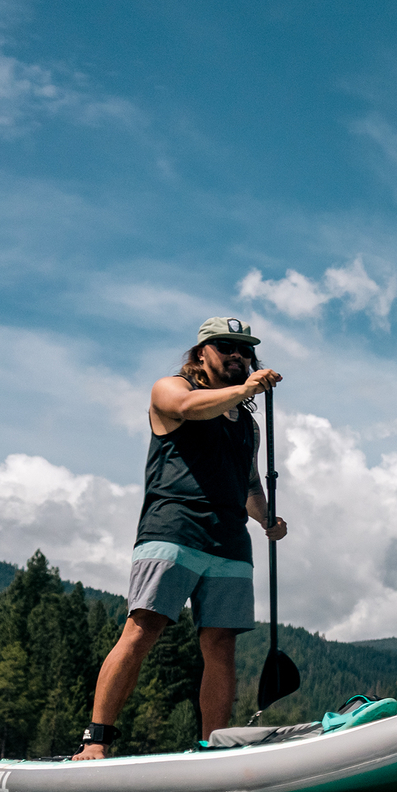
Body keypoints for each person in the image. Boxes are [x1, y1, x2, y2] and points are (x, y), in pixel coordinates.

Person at [74, 318, 287, 758]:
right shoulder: (170, 389)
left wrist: (267, 518)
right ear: (201, 353)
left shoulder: (247, 424)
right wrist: (247, 389)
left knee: (221, 645)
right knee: (142, 629)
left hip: (229, 541)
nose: (237, 355)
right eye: (225, 346)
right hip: (172, 530)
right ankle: (96, 740)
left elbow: (249, 484)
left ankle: (213, 747)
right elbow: (190, 408)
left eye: (245, 350)